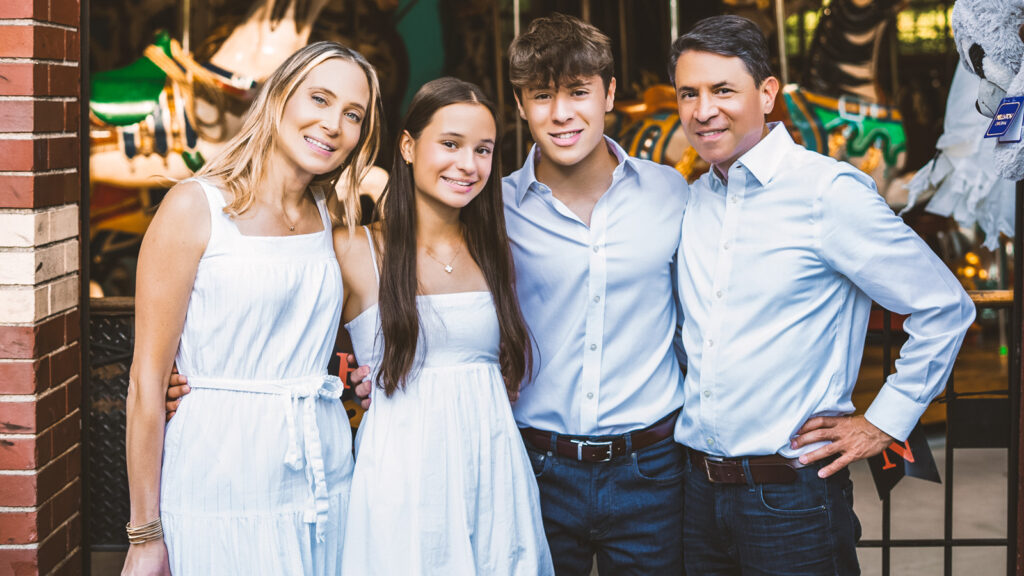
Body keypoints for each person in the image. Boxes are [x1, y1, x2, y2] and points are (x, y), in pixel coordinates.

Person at [669, 15, 976, 574]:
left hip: (790, 500)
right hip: (695, 494)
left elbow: (944, 306)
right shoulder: (693, 200)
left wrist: (884, 421)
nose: (702, 109)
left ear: (766, 94)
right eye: (688, 93)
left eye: (722, 90)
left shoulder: (826, 193)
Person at [123, 41, 382, 575]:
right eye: (319, 98)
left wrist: (372, 376)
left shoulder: (334, 220)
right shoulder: (196, 207)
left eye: (352, 114)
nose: (333, 124)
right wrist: (145, 534)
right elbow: (147, 385)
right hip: (218, 475)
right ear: (279, 96)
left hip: (323, 478)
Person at [336, 76, 553, 575]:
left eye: (483, 150)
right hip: (403, 477)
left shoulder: (498, 249)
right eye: (450, 144)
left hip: (493, 471)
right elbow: (297, 345)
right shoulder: (355, 250)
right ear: (409, 146)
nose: (468, 165)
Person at [503, 14, 688, 574]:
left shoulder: (671, 191)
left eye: (578, 92)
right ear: (520, 105)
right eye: (542, 96)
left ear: (608, 93)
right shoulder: (494, 207)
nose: (561, 114)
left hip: (652, 469)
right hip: (536, 466)